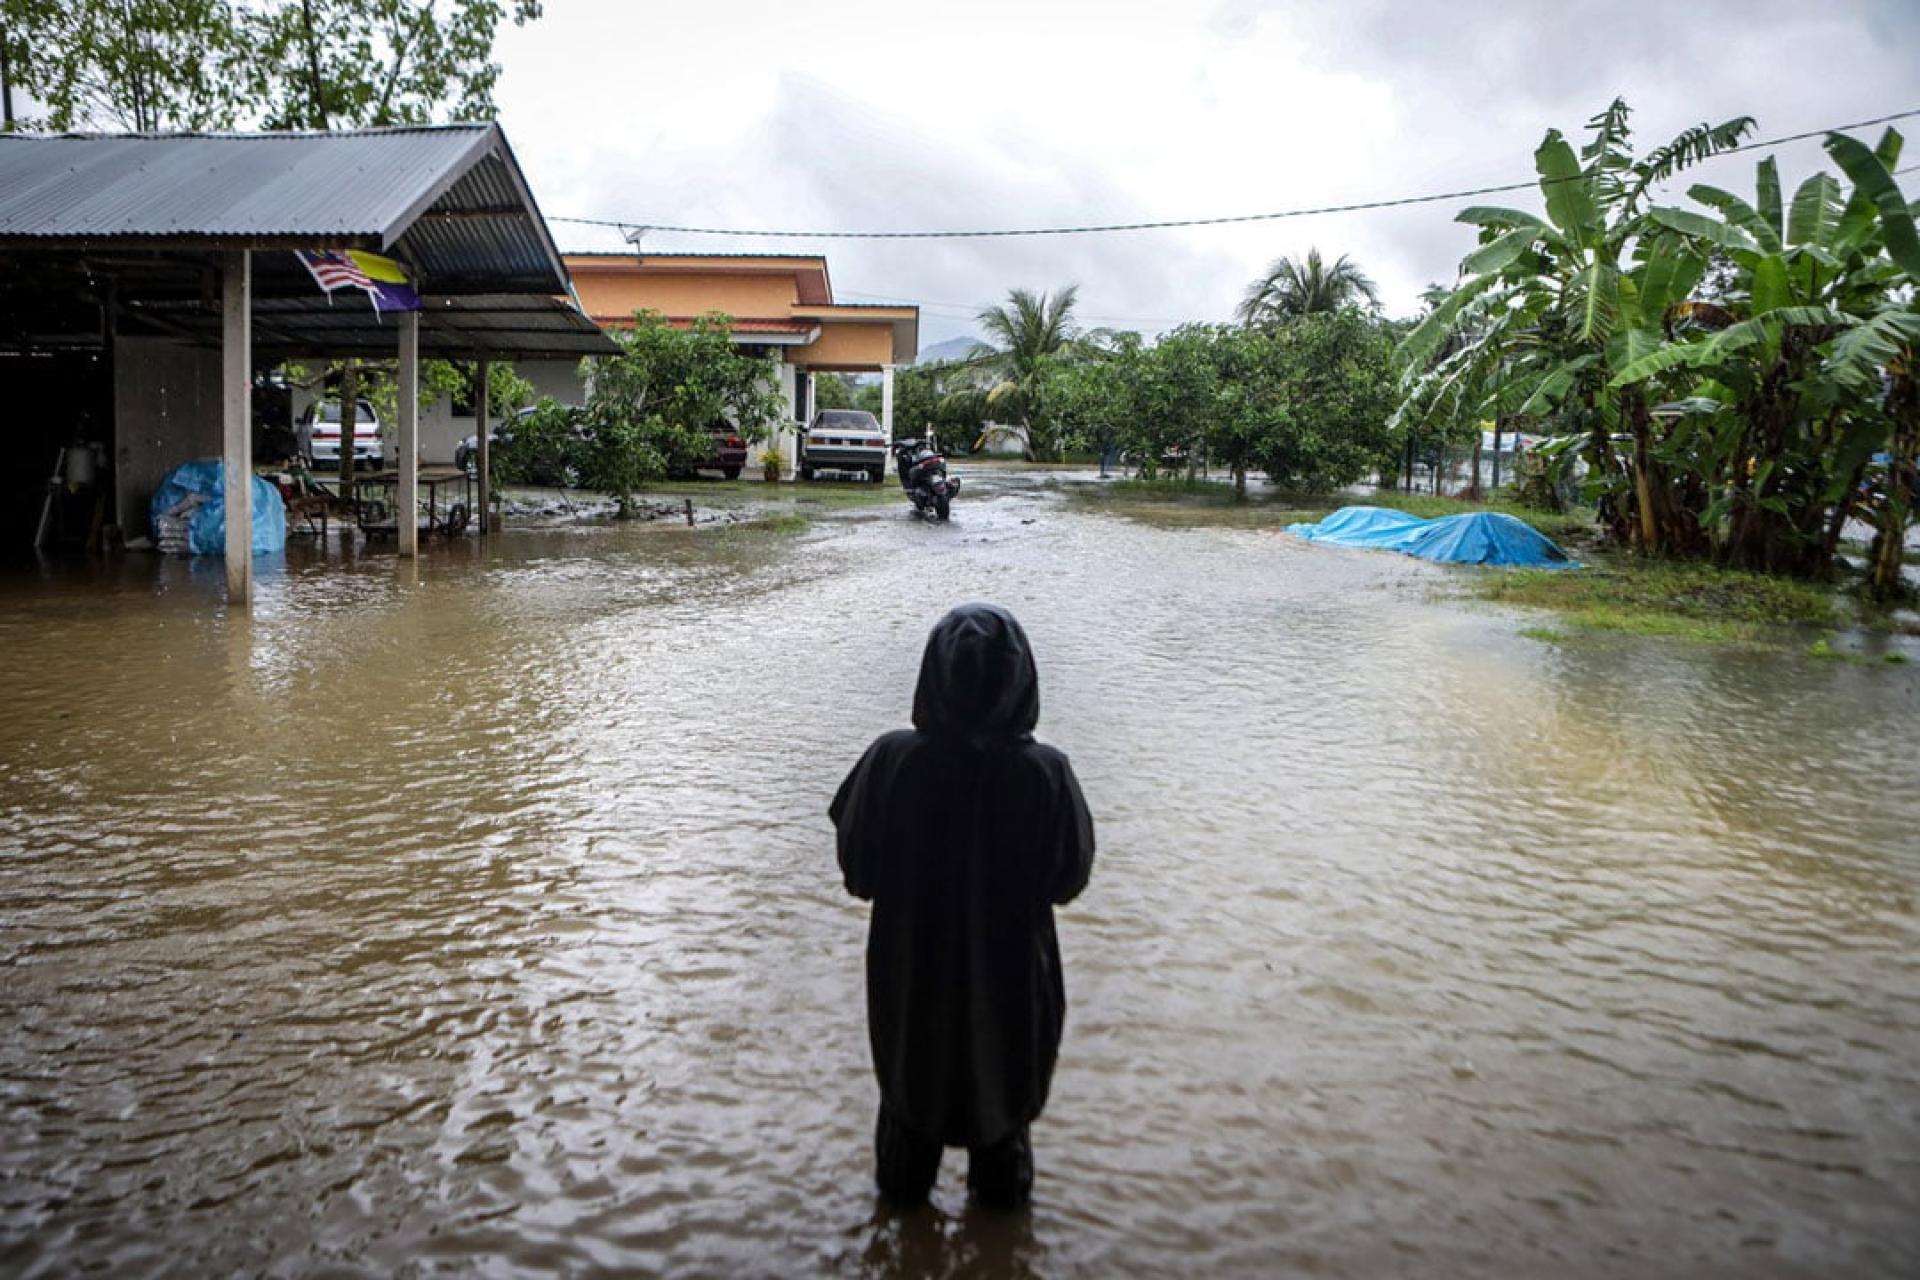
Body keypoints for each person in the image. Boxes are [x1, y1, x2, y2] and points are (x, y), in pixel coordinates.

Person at [830, 604, 1095, 1209]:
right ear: (1021, 679)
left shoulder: (890, 761)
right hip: (1013, 993)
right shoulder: (1047, 774)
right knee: (1004, 1159)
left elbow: (858, 875)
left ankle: (897, 1246)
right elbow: (1068, 881)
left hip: (910, 984)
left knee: (902, 1166)